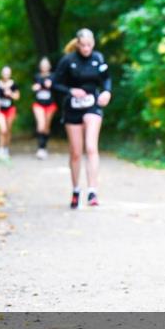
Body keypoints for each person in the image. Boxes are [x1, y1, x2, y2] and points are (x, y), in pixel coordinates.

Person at [52, 28, 112, 209]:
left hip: (92, 105)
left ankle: (93, 191)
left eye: (89, 45)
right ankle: (76, 189)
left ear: (93, 44)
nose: (86, 48)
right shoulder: (68, 60)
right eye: (83, 45)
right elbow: (55, 83)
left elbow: (106, 78)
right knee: (76, 152)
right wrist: (71, 91)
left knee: (91, 147)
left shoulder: (98, 59)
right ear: (77, 44)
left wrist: (107, 92)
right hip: (73, 108)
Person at [31, 57, 56, 159]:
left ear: (49, 66)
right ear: (40, 67)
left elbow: (57, 88)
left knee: (46, 127)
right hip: (39, 104)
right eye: (42, 65)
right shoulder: (37, 76)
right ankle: (40, 148)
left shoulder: (53, 76)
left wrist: (51, 85)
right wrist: (35, 88)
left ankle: (44, 147)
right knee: (40, 126)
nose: (44, 67)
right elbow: (34, 87)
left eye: (46, 65)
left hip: (50, 105)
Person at [0, 66, 20, 159]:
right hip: (0, 110)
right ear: (1, 73)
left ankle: (6, 148)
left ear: (10, 74)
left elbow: (17, 97)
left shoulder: (13, 84)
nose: (6, 75)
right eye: (4, 73)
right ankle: (0, 149)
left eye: (7, 73)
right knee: (3, 129)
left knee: (8, 130)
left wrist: (10, 94)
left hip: (10, 109)